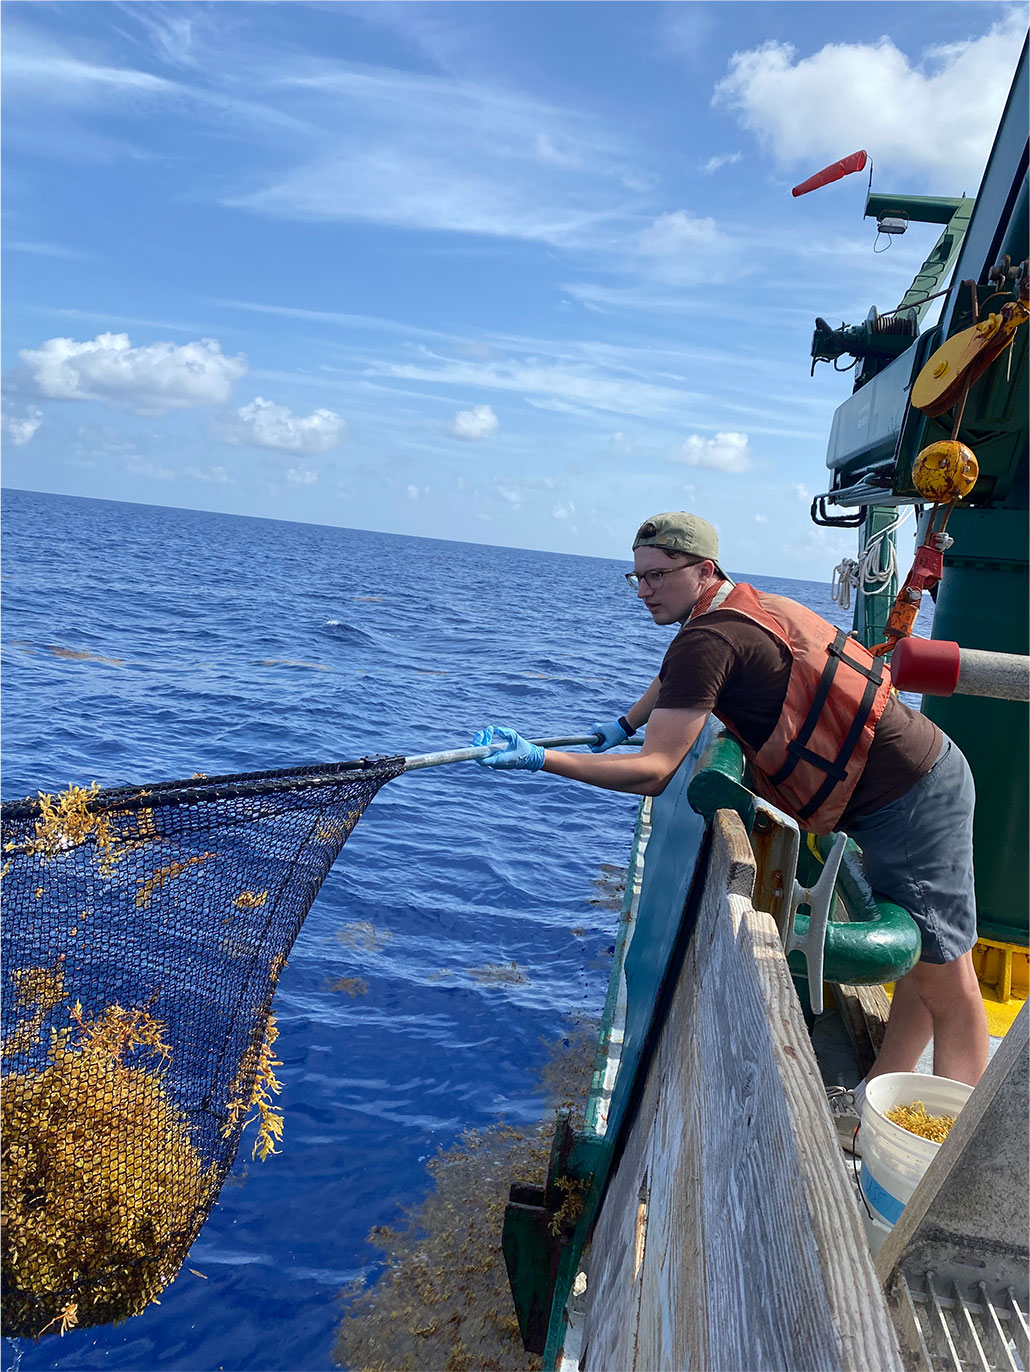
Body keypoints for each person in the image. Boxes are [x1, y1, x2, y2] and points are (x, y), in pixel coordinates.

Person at [473, 510, 989, 1148]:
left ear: (703, 570)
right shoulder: (729, 612)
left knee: (948, 974)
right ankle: (876, 1099)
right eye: (636, 578)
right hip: (905, 783)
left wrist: (541, 760)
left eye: (659, 575)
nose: (645, 591)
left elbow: (656, 772)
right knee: (926, 957)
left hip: (909, 796)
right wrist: (626, 721)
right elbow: (679, 676)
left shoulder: (705, 640)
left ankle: (958, 1149)